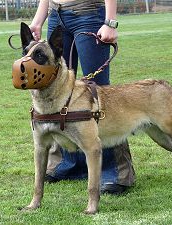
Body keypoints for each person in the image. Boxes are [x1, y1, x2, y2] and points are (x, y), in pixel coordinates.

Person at [29, 0, 135, 194]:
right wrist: (38, 20)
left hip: (88, 12)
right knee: (62, 93)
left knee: (99, 94)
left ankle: (116, 172)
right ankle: (70, 165)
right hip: (56, 14)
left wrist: (110, 21)